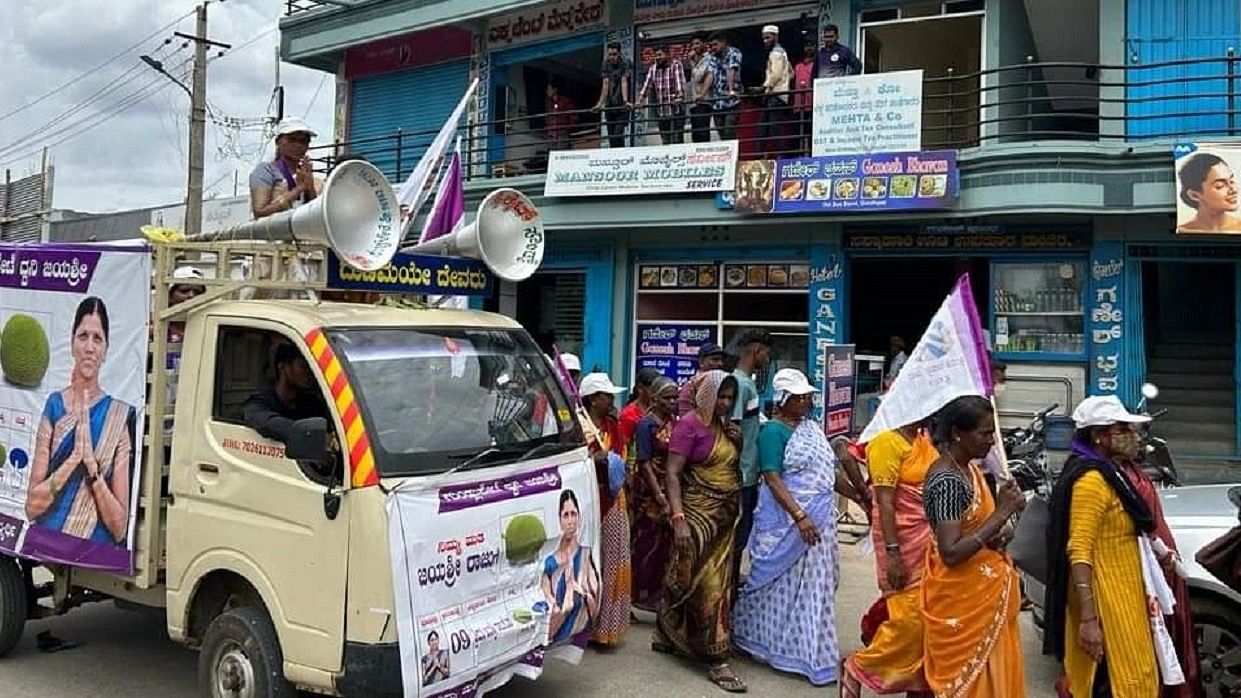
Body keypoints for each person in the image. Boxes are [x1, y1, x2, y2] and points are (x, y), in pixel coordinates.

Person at [1045, 396, 1190, 698]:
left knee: (1139, 676)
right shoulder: (1091, 481)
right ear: (1099, 436)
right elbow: (1079, 550)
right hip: (1106, 603)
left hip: (1126, 596)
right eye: (1124, 429)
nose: (1135, 437)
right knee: (1118, 683)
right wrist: (1088, 620)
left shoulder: (1113, 474)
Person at [731, 369, 843, 685]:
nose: (807, 401)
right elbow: (772, 476)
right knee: (771, 584)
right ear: (782, 401)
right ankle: (754, 638)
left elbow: (827, 476)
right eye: (800, 397)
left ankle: (809, 653)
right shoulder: (773, 432)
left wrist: (863, 496)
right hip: (786, 522)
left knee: (813, 588)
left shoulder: (810, 429)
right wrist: (800, 516)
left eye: (808, 396)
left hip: (819, 517)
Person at [920, 395, 1027, 697]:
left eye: (993, 432)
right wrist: (1003, 512)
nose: (992, 441)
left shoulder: (970, 470)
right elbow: (951, 553)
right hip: (961, 603)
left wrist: (1000, 529)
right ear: (957, 433)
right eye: (985, 433)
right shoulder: (947, 480)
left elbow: (979, 530)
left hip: (985, 598)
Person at [655, 370, 746, 693]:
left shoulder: (726, 429)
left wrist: (737, 440)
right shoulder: (689, 425)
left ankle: (670, 635)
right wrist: (678, 517)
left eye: (730, 398)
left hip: (723, 519)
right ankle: (716, 658)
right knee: (699, 582)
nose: (725, 403)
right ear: (706, 395)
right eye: (720, 396)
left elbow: (731, 469)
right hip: (695, 515)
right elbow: (673, 473)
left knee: (719, 582)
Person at [26, 297, 135, 545]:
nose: (89, 347)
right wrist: (74, 458)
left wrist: (92, 471)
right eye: (83, 336)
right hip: (49, 539)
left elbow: (119, 529)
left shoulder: (117, 416)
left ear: (106, 350)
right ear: (72, 343)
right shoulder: (55, 406)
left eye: (97, 339)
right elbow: (32, 507)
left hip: (94, 549)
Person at [841, 418, 938, 696]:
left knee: (929, 620)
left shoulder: (923, 439)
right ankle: (858, 667)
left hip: (929, 544)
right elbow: (884, 501)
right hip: (901, 544)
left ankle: (918, 686)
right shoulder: (886, 442)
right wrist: (893, 554)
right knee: (909, 623)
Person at [579, 372, 632, 647]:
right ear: (592, 400)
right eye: (606, 395)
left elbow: (621, 457)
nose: (611, 400)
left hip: (612, 498)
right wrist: (594, 458)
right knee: (587, 562)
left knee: (613, 559)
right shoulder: (579, 425)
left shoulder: (613, 426)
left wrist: (609, 461)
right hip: (588, 498)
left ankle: (607, 625)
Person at [630, 376, 679, 612]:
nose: (672, 402)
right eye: (668, 398)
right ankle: (639, 592)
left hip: (670, 486)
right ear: (657, 399)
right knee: (647, 542)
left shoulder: (674, 423)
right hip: (650, 491)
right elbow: (644, 462)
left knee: (664, 543)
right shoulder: (646, 425)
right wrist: (659, 496)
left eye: (675, 398)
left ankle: (656, 590)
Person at [730, 329, 774, 592]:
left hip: (749, 473)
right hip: (741, 475)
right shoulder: (740, 385)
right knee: (737, 536)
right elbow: (733, 429)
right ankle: (729, 586)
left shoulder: (749, 383)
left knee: (743, 535)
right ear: (757, 351)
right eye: (767, 354)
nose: (767, 359)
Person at [242, 343, 332, 446]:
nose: (309, 373)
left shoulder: (311, 403)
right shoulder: (259, 402)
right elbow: (266, 422)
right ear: (282, 367)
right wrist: (311, 435)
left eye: (310, 367)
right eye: (302, 366)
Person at [542, 489, 601, 644]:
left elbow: (594, 589)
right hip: (555, 623)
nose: (570, 521)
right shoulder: (550, 560)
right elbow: (546, 593)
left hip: (577, 620)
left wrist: (578, 591)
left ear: (579, 517)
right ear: (559, 520)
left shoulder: (584, 554)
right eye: (566, 515)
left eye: (573, 514)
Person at [249, 117, 323, 220]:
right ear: (278, 142)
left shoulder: (307, 176)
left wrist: (309, 189)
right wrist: (299, 188)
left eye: (303, 141)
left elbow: (315, 215)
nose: (298, 145)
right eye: (291, 139)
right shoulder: (266, 170)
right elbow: (260, 212)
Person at [1176, 152, 1241, 233]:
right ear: (1194, 195)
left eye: (1231, 181)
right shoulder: (1183, 231)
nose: (1234, 190)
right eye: (1219, 185)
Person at [636, 46, 686, 145]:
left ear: (667, 55)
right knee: (665, 141)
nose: (657, 58)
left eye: (660, 55)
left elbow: (680, 84)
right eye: (655, 56)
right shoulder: (653, 68)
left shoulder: (676, 65)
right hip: (662, 112)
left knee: (677, 141)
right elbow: (646, 87)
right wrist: (639, 102)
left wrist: (679, 97)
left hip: (676, 110)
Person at [758, 25, 793, 157]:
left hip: (774, 95)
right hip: (778, 94)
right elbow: (791, 72)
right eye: (764, 38)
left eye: (768, 37)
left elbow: (776, 74)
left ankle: (781, 157)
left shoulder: (776, 53)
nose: (765, 41)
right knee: (767, 128)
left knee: (772, 128)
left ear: (775, 37)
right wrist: (785, 84)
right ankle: (766, 156)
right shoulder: (782, 52)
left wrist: (764, 87)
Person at [595, 42, 633, 149]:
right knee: (612, 136)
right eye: (610, 54)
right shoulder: (606, 64)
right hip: (610, 104)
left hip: (621, 104)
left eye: (614, 54)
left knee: (618, 133)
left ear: (619, 53)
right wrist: (600, 103)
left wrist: (625, 101)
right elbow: (605, 83)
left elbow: (624, 81)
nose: (612, 57)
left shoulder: (625, 63)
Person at [709, 32, 743, 142]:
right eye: (712, 45)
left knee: (729, 131)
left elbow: (730, 70)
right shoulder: (713, 56)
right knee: (721, 132)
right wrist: (701, 94)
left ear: (723, 42)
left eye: (715, 44)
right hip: (717, 101)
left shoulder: (733, 53)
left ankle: (734, 157)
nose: (713, 48)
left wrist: (731, 90)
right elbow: (710, 75)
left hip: (731, 101)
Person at [677, 343, 727, 416]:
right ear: (701, 362)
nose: (720, 363)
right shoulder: (690, 388)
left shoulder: (723, 385)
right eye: (715, 359)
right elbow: (685, 420)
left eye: (721, 360)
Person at [687, 31, 718, 144]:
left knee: (702, 132)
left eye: (697, 43)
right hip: (695, 102)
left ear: (704, 44)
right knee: (695, 134)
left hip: (704, 101)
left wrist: (691, 62)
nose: (694, 47)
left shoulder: (709, 59)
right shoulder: (697, 60)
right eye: (693, 44)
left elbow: (699, 76)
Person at [793, 44, 817, 154]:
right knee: (799, 131)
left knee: (810, 130)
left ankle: (809, 153)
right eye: (806, 46)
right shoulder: (797, 66)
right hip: (799, 104)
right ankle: (800, 153)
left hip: (812, 102)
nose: (809, 49)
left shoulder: (816, 65)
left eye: (811, 46)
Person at [544, 81, 577, 153]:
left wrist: (566, 130)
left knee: (562, 155)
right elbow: (547, 117)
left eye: (549, 89)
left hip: (562, 135)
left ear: (555, 90)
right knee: (552, 157)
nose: (547, 91)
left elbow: (573, 117)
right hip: (551, 136)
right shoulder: (548, 102)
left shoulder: (565, 101)